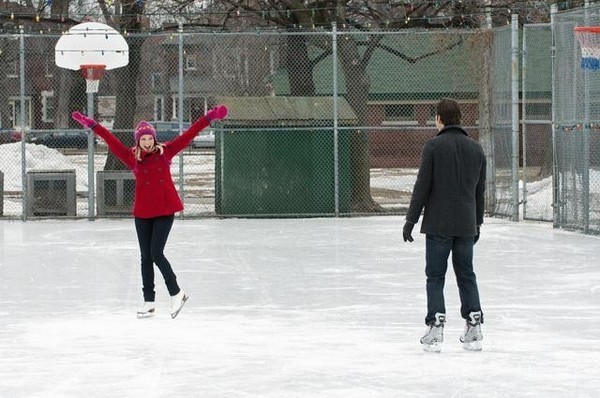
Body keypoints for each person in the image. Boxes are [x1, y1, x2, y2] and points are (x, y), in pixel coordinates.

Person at [72, 105, 228, 319]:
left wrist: (209, 117)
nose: (147, 142)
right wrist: (92, 125)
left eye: (149, 138)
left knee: (156, 253)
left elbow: (190, 133)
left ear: (154, 139)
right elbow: (110, 139)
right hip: (143, 212)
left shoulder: (167, 151)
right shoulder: (131, 157)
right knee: (145, 257)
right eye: (143, 139)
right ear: (138, 141)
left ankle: (177, 293)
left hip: (165, 209)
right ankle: (149, 302)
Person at [402, 98, 486, 352]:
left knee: (435, 276)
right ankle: (474, 325)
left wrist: (411, 220)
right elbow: (479, 192)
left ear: (440, 118)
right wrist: (477, 222)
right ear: (459, 119)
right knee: (466, 274)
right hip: (465, 225)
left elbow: (422, 187)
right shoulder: (476, 149)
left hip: (439, 224)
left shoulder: (433, 147)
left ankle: (436, 326)